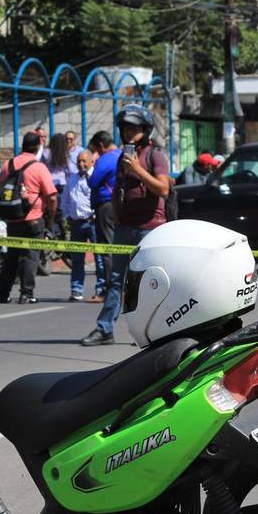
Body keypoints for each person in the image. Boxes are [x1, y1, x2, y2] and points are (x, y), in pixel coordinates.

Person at [81, 104, 172, 346]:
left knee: (148, 283)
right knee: (115, 279)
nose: (129, 132)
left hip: (149, 228)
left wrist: (138, 170)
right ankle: (104, 329)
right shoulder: (124, 156)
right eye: (125, 128)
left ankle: (151, 332)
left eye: (134, 128)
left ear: (145, 129)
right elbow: (117, 189)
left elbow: (163, 188)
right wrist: (117, 214)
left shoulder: (156, 155)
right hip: (125, 227)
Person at [0, 131, 58, 304]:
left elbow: (0, 188)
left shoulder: (9, 164)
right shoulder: (39, 167)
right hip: (33, 218)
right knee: (31, 256)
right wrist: (50, 217)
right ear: (38, 146)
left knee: (11, 257)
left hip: (12, 217)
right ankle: (26, 293)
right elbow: (52, 196)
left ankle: (3, 293)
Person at [60, 149, 104, 302]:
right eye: (79, 161)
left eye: (84, 161)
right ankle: (76, 290)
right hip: (76, 223)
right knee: (77, 259)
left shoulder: (97, 177)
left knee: (99, 258)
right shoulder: (72, 178)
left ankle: (101, 289)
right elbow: (65, 199)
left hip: (93, 222)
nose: (81, 164)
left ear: (92, 162)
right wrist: (67, 216)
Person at [87, 130, 121, 297]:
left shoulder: (106, 158)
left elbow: (93, 181)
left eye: (96, 149)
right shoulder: (122, 154)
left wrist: (93, 164)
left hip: (106, 206)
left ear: (101, 146)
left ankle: (110, 288)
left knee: (106, 248)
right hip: (122, 206)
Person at [46, 131, 73, 195]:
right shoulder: (65, 153)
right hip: (62, 182)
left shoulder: (46, 152)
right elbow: (70, 169)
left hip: (49, 181)